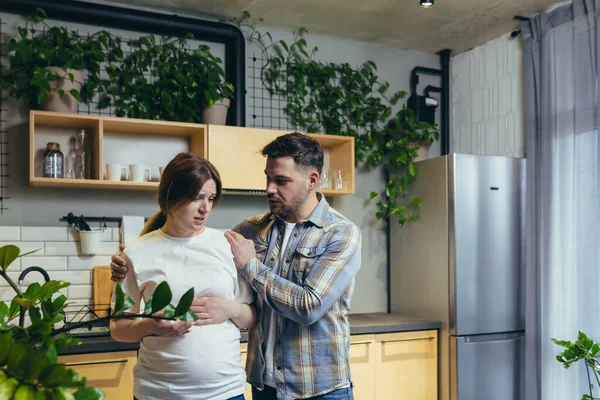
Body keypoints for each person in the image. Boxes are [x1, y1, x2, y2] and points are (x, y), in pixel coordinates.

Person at [112, 133, 362, 400]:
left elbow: (308, 306)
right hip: (264, 385)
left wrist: (247, 273)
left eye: (281, 181)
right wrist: (128, 260)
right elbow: (183, 247)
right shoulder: (248, 231)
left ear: (312, 180)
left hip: (317, 387)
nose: (268, 188)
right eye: (268, 178)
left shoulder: (340, 233)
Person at [110, 152, 255, 400]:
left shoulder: (228, 245)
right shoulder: (136, 252)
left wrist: (229, 309)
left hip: (226, 393)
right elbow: (118, 328)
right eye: (196, 198)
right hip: (157, 393)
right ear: (171, 199)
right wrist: (151, 325)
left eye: (210, 198)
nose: (205, 208)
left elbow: (251, 317)